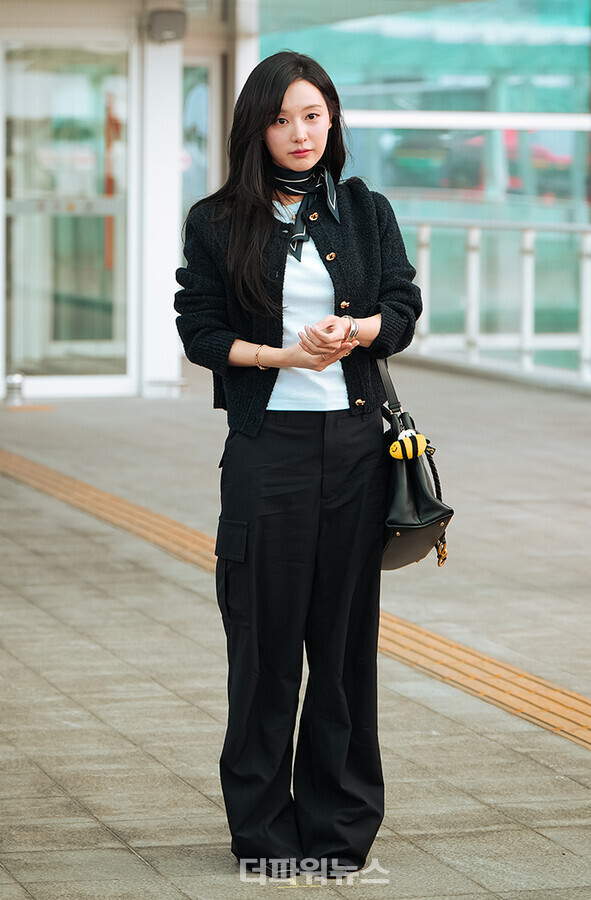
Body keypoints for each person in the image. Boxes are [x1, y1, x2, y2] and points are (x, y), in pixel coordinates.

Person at [174, 50, 422, 880]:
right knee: (265, 647)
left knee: (346, 648)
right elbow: (199, 331)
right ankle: (264, 837)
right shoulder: (216, 221)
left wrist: (353, 334)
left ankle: (340, 832)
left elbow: (401, 306)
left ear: (332, 119)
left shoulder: (364, 209)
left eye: (312, 115)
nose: (299, 132)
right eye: (281, 119)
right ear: (258, 129)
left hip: (356, 452)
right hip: (266, 454)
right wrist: (282, 357)